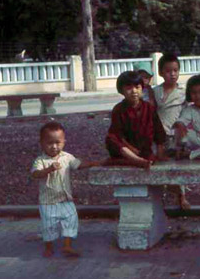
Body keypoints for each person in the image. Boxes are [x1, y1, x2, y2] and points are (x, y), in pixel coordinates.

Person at [30, 121, 102, 258]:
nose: (54, 146)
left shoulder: (67, 157)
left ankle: (67, 246)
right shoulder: (40, 160)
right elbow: (35, 174)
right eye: (49, 143)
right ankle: (49, 247)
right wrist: (48, 169)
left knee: (71, 219)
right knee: (49, 226)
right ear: (41, 143)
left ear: (64, 142)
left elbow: (78, 165)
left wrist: (93, 163)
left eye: (58, 142)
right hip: (48, 201)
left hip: (66, 199)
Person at [106, 71, 167, 168]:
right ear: (121, 90)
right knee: (111, 139)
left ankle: (139, 160)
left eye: (137, 87)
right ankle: (137, 160)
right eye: (129, 88)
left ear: (142, 88)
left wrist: (160, 152)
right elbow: (118, 135)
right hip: (126, 151)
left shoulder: (149, 108)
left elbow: (158, 132)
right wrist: (131, 150)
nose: (134, 91)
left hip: (144, 150)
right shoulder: (119, 109)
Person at [152, 53, 190, 209]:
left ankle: (181, 197)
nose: (172, 74)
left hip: (175, 135)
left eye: (175, 70)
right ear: (161, 73)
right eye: (168, 71)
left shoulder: (183, 92)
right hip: (158, 135)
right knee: (159, 166)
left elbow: (188, 113)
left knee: (177, 166)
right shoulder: (155, 92)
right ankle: (160, 198)